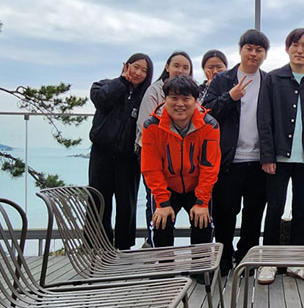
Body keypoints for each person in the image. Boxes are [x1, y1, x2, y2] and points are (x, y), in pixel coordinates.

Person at [256, 28, 304, 284]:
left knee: (301, 211)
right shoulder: (273, 79)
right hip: (278, 157)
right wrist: (267, 156)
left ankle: (297, 262)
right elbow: (264, 119)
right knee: (274, 208)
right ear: (287, 49)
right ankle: (269, 262)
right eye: (295, 45)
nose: (300, 50)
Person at [202, 29, 269, 274]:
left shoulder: (268, 81)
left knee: (254, 214)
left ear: (264, 54)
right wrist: (230, 97)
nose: (253, 54)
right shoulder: (223, 79)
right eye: (249, 48)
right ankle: (223, 258)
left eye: (259, 50)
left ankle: (246, 259)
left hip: (259, 161)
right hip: (228, 160)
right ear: (240, 50)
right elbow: (206, 113)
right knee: (225, 214)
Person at [140, 75, 219, 248]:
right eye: (174, 98)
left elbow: (209, 167)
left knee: (203, 223)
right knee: (161, 223)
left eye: (186, 99)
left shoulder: (208, 125)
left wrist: (202, 202)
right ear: (165, 99)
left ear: (195, 101)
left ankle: (201, 266)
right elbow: (151, 167)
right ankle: (164, 264)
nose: (180, 104)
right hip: (167, 186)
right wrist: (162, 202)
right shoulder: (152, 125)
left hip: (196, 185)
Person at [88, 52, 152, 250]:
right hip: (102, 154)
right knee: (99, 201)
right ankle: (99, 247)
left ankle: (124, 247)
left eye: (144, 70)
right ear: (126, 65)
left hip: (129, 158)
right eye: (135, 67)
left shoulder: (145, 98)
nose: (138, 73)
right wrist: (122, 82)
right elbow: (101, 100)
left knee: (127, 205)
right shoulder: (104, 85)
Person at [135, 50, 194, 245]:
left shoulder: (192, 92)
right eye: (176, 65)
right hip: (155, 154)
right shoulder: (154, 91)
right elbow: (146, 125)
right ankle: (154, 246)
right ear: (167, 67)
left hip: (183, 159)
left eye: (186, 67)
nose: (181, 70)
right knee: (156, 200)